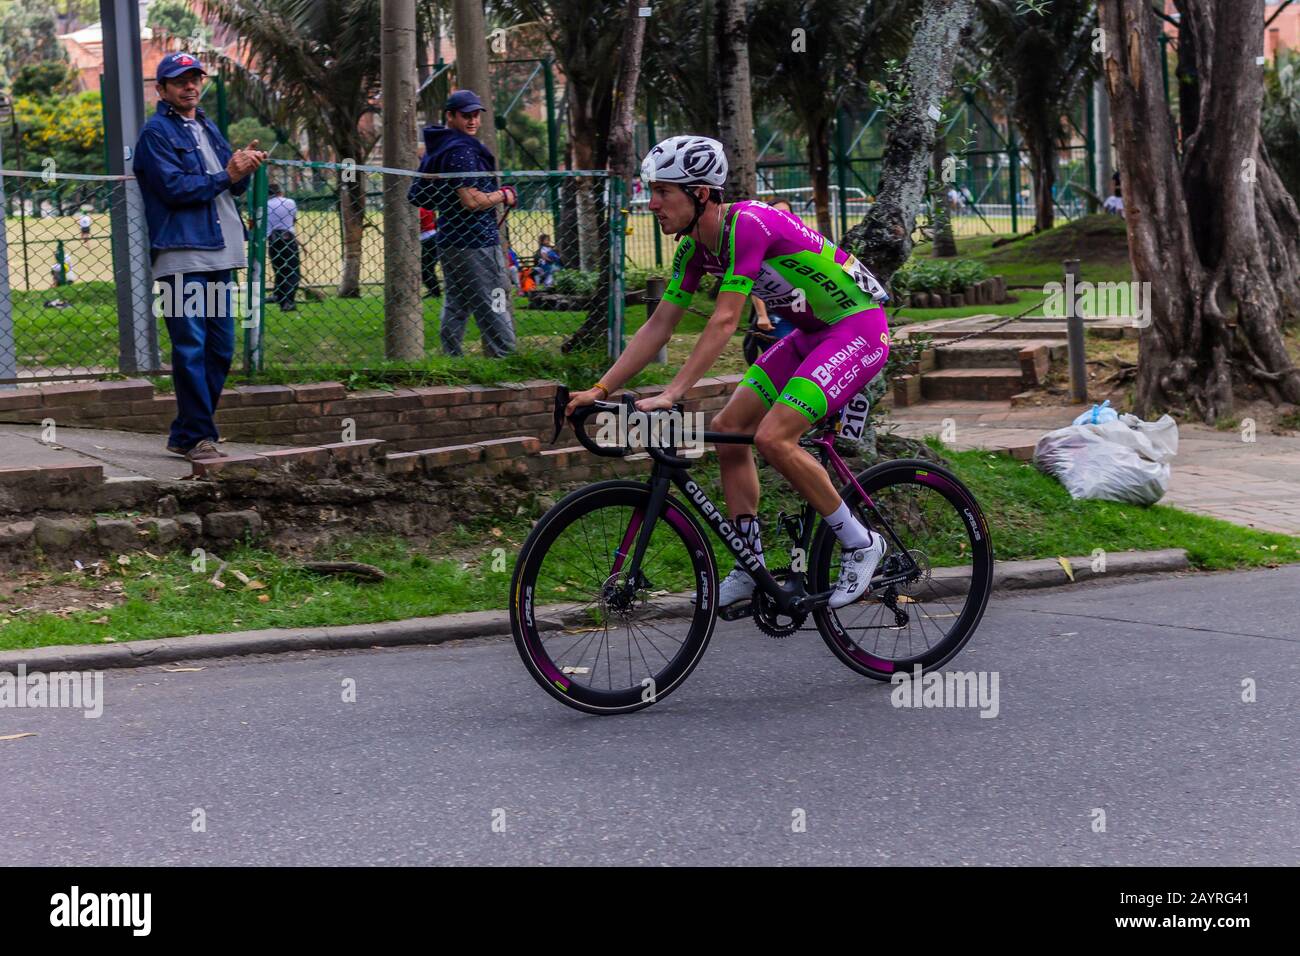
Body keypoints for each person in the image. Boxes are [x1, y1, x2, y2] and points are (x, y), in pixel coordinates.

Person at [567, 135, 892, 611]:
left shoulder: (748, 226)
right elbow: (659, 324)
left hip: (856, 328)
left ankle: (862, 542)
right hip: (807, 335)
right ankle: (750, 563)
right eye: (650, 190)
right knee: (728, 428)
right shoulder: (692, 248)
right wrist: (600, 388)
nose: (651, 202)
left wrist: (674, 392)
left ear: (700, 194)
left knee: (774, 438)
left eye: (663, 192)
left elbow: (724, 320)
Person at [133, 51, 267, 462]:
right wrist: (228, 174)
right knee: (190, 345)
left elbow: (229, 185)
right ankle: (198, 437)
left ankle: (187, 431)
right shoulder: (155, 134)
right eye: (180, 81)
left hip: (222, 253)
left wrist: (244, 168)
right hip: (182, 256)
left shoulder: (208, 127)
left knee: (220, 348)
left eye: (195, 79)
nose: (190, 86)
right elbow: (174, 189)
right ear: (163, 90)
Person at [407, 89, 517, 357]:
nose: (472, 121)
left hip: (450, 240)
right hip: (476, 241)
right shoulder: (461, 151)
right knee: (495, 298)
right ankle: (505, 357)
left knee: (456, 302)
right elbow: (471, 200)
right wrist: (504, 195)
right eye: (466, 115)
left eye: (476, 115)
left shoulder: (441, 146)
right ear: (451, 116)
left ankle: (451, 357)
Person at [266, 181, 300, 311]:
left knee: (279, 269)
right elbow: (293, 219)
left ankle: (278, 294)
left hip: (273, 240)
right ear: (280, 192)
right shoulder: (290, 202)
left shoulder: (264, 205)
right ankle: (288, 301)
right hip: (288, 238)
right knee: (292, 271)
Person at [418, 206, 442, 296]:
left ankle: (434, 291)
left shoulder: (419, 210)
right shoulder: (428, 208)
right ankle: (434, 290)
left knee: (425, 268)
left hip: (426, 238)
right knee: (428, 267)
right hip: (432, 236)